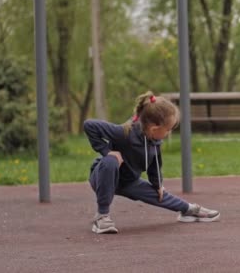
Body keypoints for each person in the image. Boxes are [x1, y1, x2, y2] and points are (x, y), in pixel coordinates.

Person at [83, 92, 220, 234]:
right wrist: (107, 151)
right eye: (168, 129)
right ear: (154, 128)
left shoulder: (153, 141)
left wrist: (158, 185)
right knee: (110, 161)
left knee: (158, 193)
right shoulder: (123, 133)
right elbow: (89, 125)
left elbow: (155, 165)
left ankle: (188, 210)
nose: (169, 133)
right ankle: (102, 217)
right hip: (102, 177)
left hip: (128, 182)